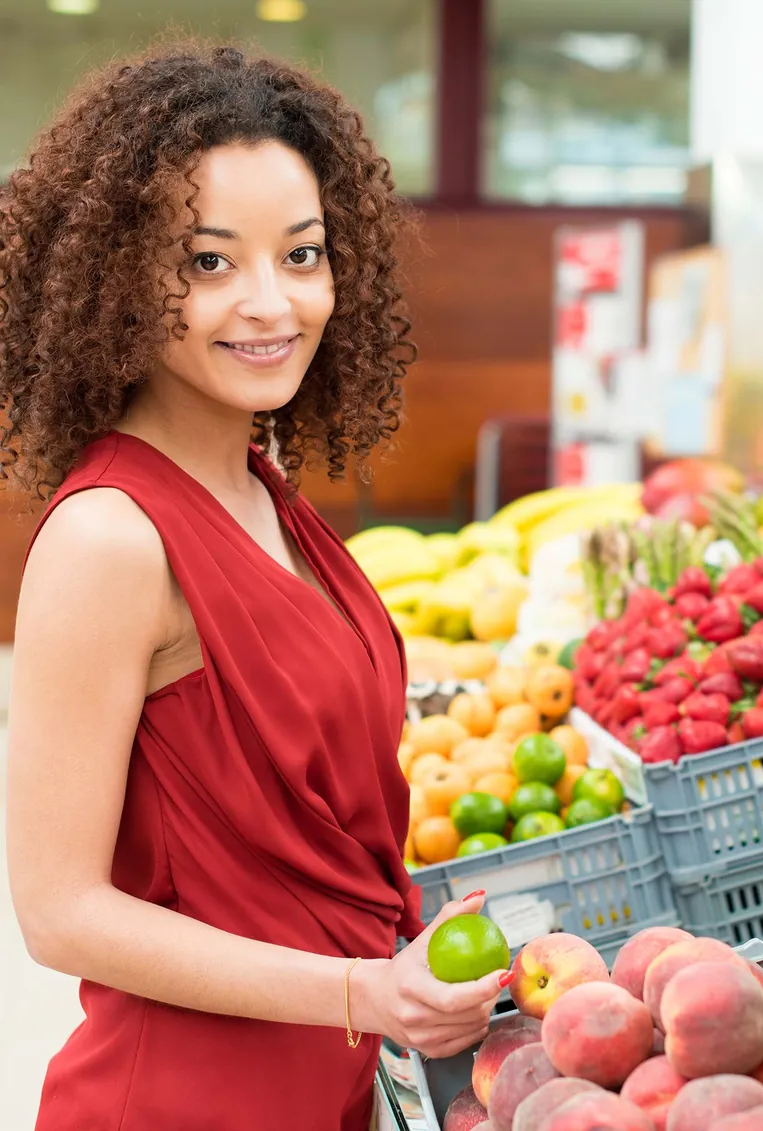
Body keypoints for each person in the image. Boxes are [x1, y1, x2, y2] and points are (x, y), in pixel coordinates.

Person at [0, 42, 510, 1131]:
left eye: (304, 254)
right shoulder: (110, 539)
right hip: (178, 1104)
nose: (271, 303)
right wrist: (359, 991)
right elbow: (58, 913)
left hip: (324, 1088)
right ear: (116, 277)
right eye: (207, 263)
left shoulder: (261, 491)